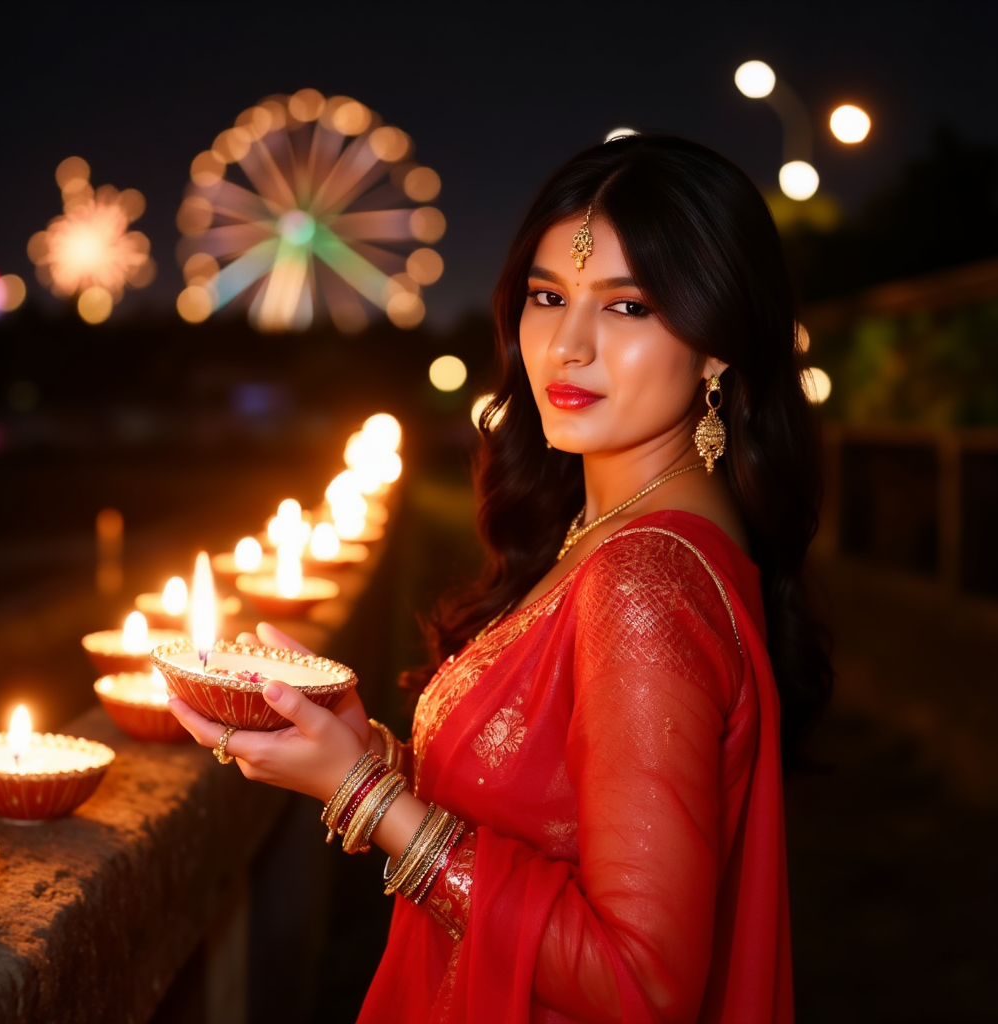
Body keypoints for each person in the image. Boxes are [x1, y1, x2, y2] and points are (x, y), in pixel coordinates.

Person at [170, 134, 831, 1023]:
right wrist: (370, 754)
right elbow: (556, 812)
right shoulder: (627, 533)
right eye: (548, 297)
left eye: (629, 307)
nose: (568, 346)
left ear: (718, 346)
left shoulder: (643, 581)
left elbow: (641, 983)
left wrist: (363, 797)